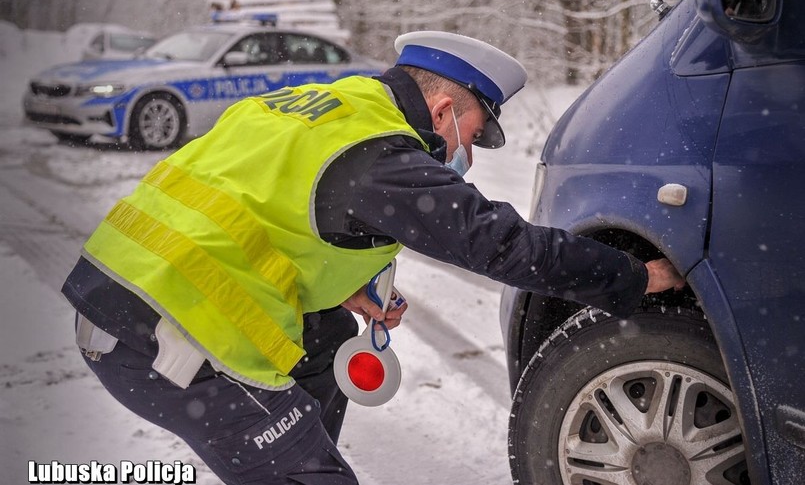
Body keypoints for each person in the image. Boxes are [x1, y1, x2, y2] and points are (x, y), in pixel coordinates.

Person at [61, 31, 684, 484]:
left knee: (329, 339)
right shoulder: (380, 154)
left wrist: (338, 289)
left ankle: (287, 449)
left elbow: (256, 208)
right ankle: (290, 460)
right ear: (443, 111)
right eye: (472, 135)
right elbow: (500, 243)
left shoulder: (322, 104)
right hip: (170, 331)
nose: (466, 154)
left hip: (121, 290)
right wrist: (634, 276)